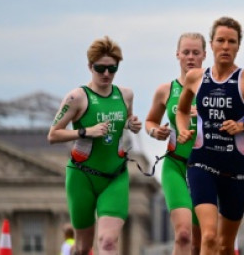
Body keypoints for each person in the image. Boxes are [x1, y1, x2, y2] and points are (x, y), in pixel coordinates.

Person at [176, 16, 244, 255]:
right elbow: (182, 110)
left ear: (238, 46)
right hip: (202, 163)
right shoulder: (196, 78)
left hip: (236, 169)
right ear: (210, 44)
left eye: (231, 41)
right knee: (209, 237)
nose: (225, 46)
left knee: (224, 245)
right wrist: (183, 129)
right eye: (220, 40)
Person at [48, 36, 143, 255]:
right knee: (82, 247)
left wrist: (131, 123)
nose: (107, 74)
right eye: (100, 68)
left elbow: (125, 119)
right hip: (82, 176)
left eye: (112, 68)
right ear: (90, 66)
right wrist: (85, 131)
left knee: (108, 241)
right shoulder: (77, 97)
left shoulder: (125, 94)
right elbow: (53, 135)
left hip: (115, 177)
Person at [145, 32, 207, 255]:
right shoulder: (166, 90)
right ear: (177, 55)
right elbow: (150, 120)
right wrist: (155, 131)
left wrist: (204, 114)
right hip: (175, 166)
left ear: (204, 55)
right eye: (186, 52)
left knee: (201, 243)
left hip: (205, 168)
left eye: (196, 53)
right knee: (183, 234)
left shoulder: (213, 90)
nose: (190, 57)